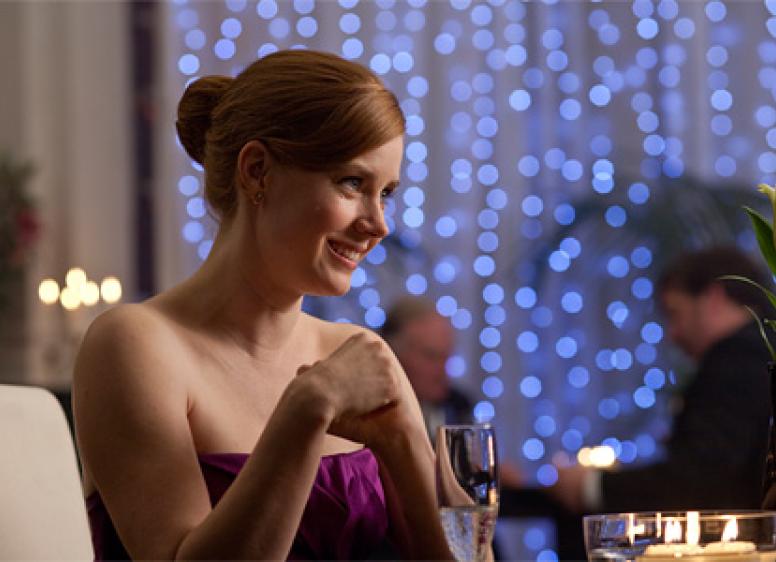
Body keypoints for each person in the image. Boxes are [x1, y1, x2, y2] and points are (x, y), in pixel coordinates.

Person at [72, 50, 452, 561]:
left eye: (386, 193)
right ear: (256, 172)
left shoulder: (357, 352)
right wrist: (306, 411)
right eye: (352, 183)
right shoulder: (135, 344)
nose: (379, 224)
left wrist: (404, 437)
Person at [552, 246, 773, 514]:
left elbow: (702, 480)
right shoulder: (757, 352)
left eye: (674, 313)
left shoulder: (737, 360)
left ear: (714, 299)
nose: (672, 334)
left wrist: (591, 486)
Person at [380, 297, 472, 442]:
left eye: (446, 357)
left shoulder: (458, 407)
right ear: (393, 356)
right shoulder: (365, 418)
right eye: (432, 356)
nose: (442, 371)